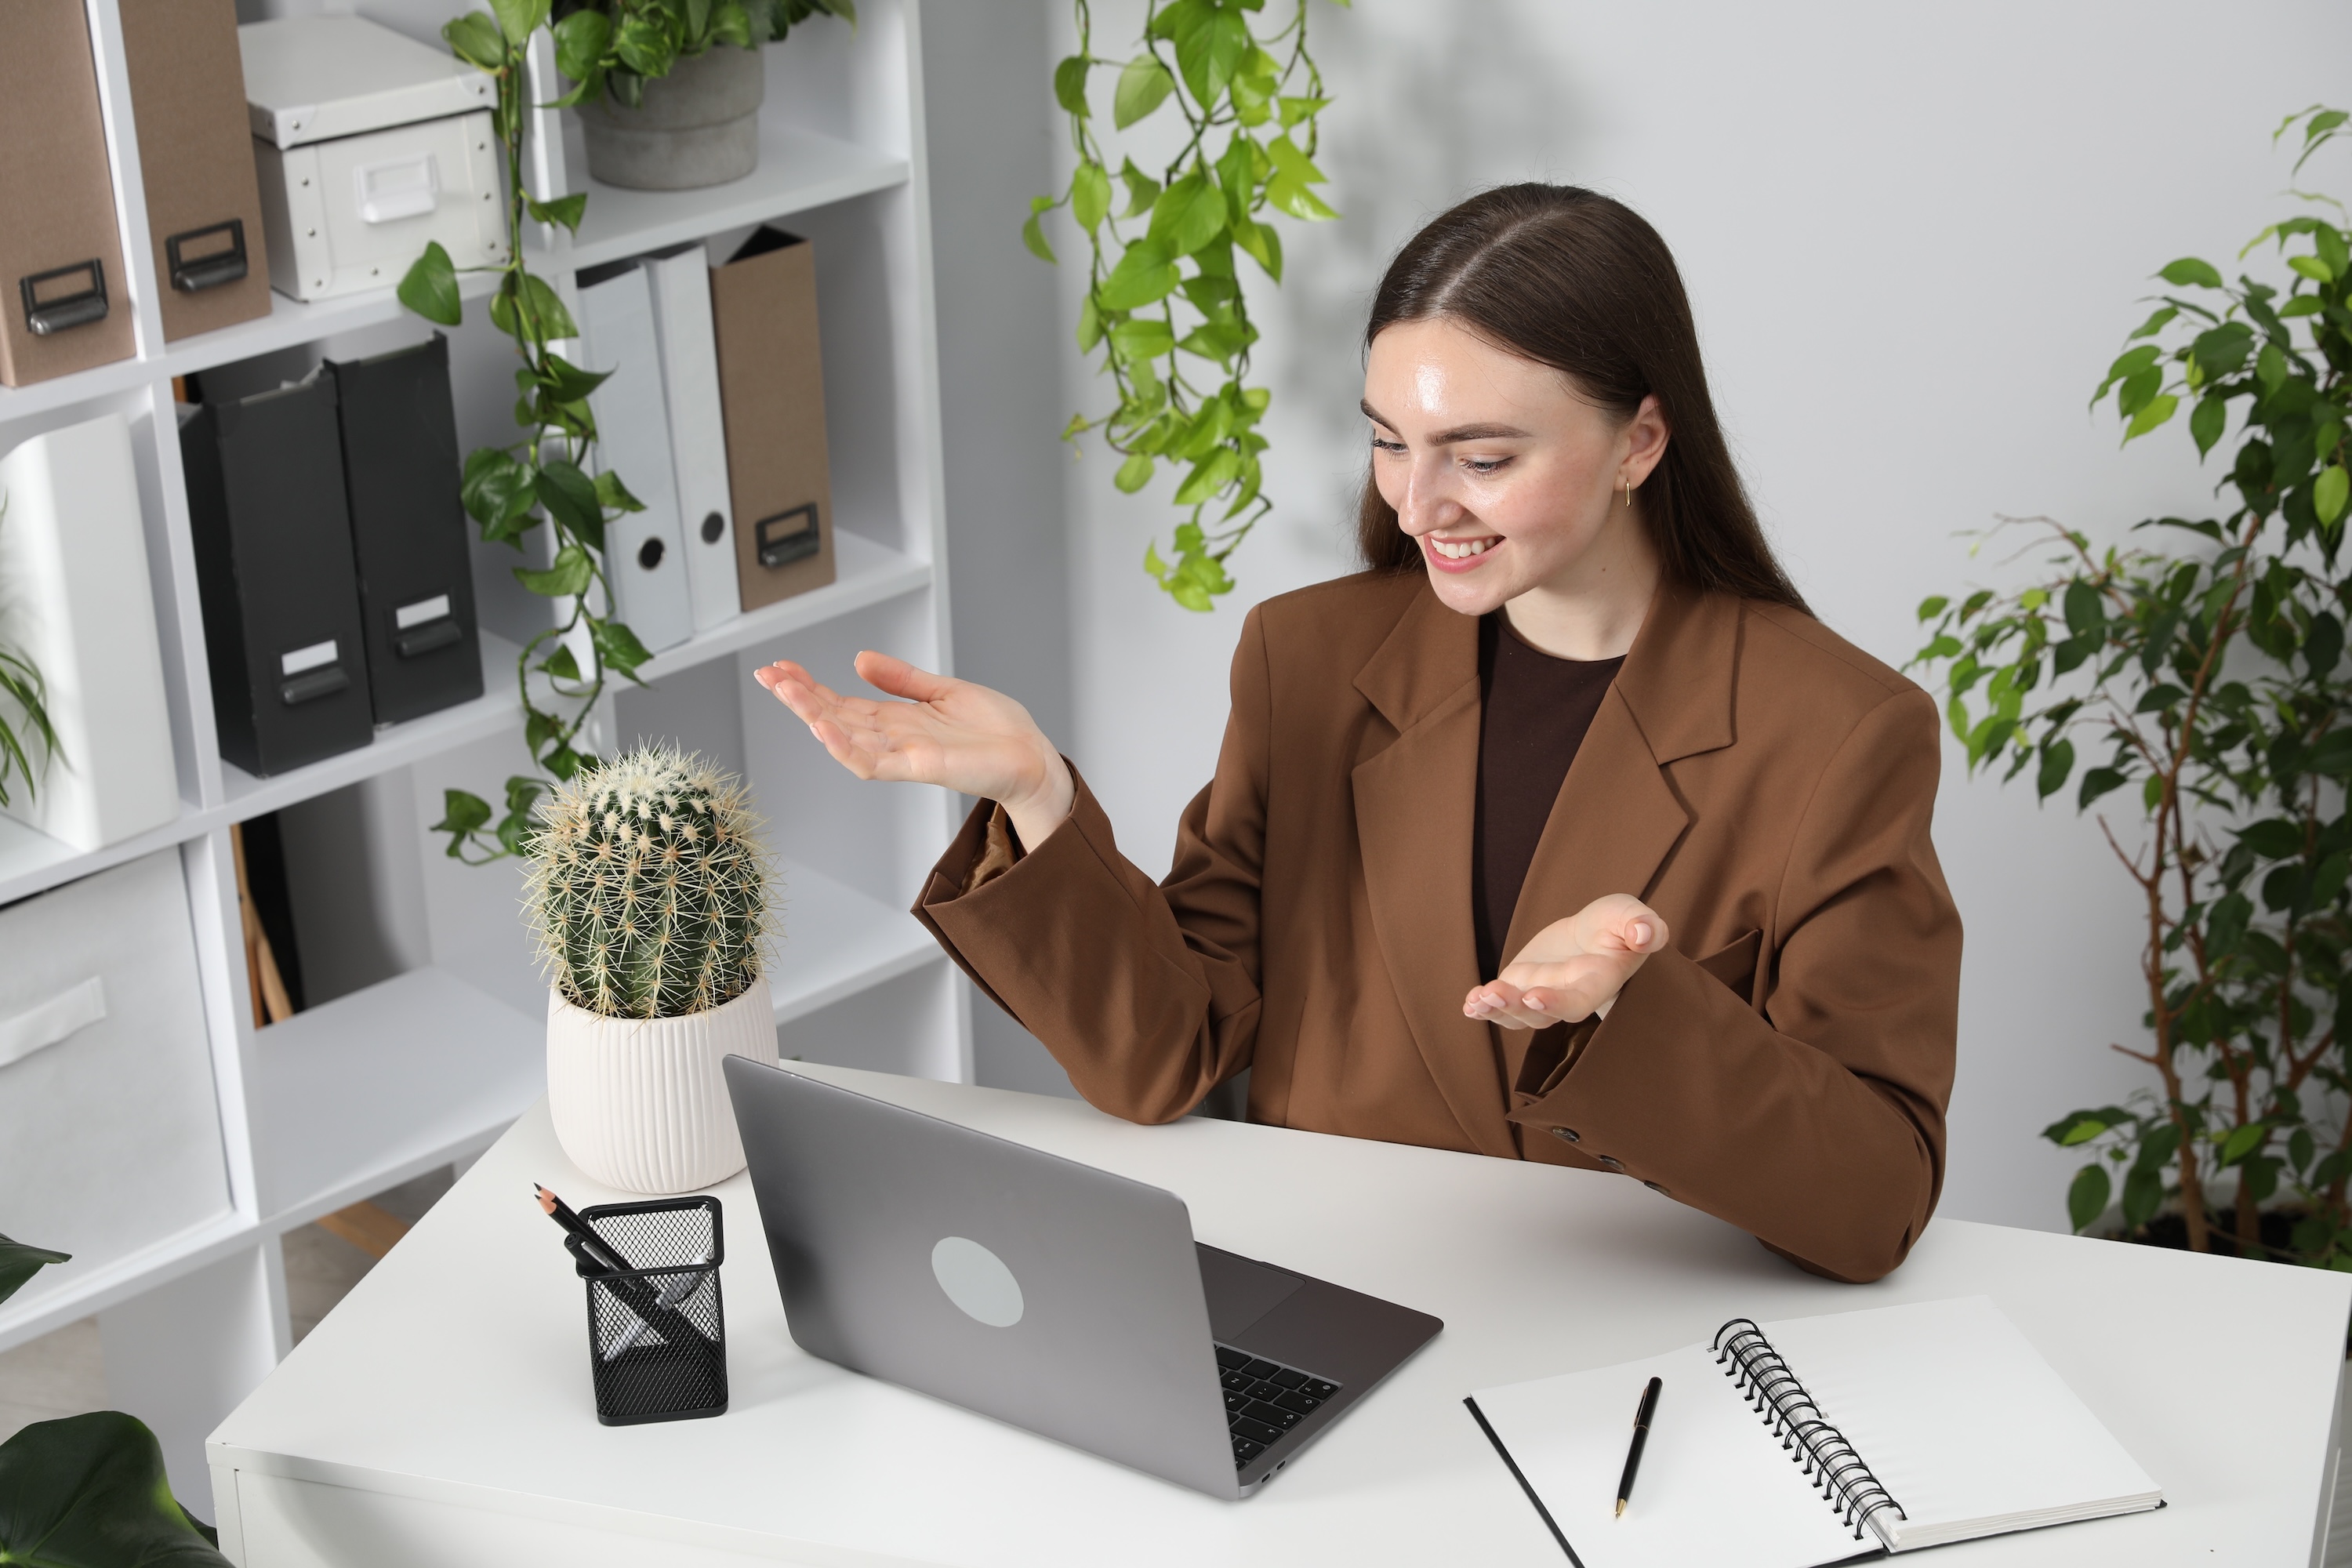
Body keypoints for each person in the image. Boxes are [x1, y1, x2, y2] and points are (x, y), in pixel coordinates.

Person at [755, 184, 1960, 1284]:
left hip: (1634, 1351)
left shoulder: (1841, 732)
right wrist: (1036, 799)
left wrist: (1635, 1012)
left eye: (1483, 457)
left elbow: (1875, 1202)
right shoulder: (1310, 662)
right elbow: (1168, 1052)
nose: (1419, 503)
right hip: (1325, 1304)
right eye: (1390, 440)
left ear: (1640, 442)